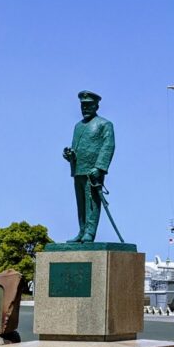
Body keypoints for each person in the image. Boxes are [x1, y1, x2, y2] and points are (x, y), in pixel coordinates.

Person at [63, 90, 116, 243]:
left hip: (93, 172)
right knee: (81, 204)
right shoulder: (78, 126)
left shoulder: (105, 124)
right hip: (78, 169)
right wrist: (70, 155)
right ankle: (82, 230)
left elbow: (108, 146)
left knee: (92, 203)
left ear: (96, 106)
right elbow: (76, 147)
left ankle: (90, 233)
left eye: (88, 105)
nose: (84, 108)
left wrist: (99, 168)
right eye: (82, 105)